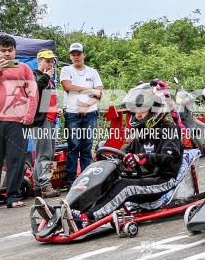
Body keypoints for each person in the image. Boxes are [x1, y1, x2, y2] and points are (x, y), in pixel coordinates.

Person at [38, 83, 183, 236]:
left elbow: (169, 158)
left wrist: (143, 159)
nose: (137, 114)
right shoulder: (140, 134)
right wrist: (110, 159)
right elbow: (123, 153)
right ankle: (64, 211)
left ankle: (87, 218)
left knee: (125, 186)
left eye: (141, 110)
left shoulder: (170, 131)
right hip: (143, 178)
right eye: (135, 111)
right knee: (106, 181)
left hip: (163, 180)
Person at [0, 35, 39, 210]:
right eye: (3, 51)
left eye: (10, 50)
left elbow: (33, 94)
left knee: (16, 160)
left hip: (18, 121)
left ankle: (13, 196)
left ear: (15, 51)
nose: (6, 54)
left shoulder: (25, 68)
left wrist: (29, 116)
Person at [60, 42, 103, 190]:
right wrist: (88, 89)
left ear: (84, 54)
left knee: (87, 147)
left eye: (79, 53)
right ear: (70, 56)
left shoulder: (93, 72)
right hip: (72, 114)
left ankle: (87, 179)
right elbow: (67, 87)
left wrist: (85, 106)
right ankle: (71, 180)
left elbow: (99, 94)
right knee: (73, 146)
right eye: (73, 54)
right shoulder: (66, 69)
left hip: (90, 113)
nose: (76, 56)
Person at [30, 49, 60, 198]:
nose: (50, 63)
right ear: (39, 61)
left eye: (51, 61)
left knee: (46, 153)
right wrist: (46, 76)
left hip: (50, 119)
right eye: (47, 60)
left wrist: (56, 111)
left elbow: (45, 101)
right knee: (45, 154)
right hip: (41, 121)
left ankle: (37, 185)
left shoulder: (49, 80)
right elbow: (34, 90)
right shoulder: (34, 75)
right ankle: (46, 186)